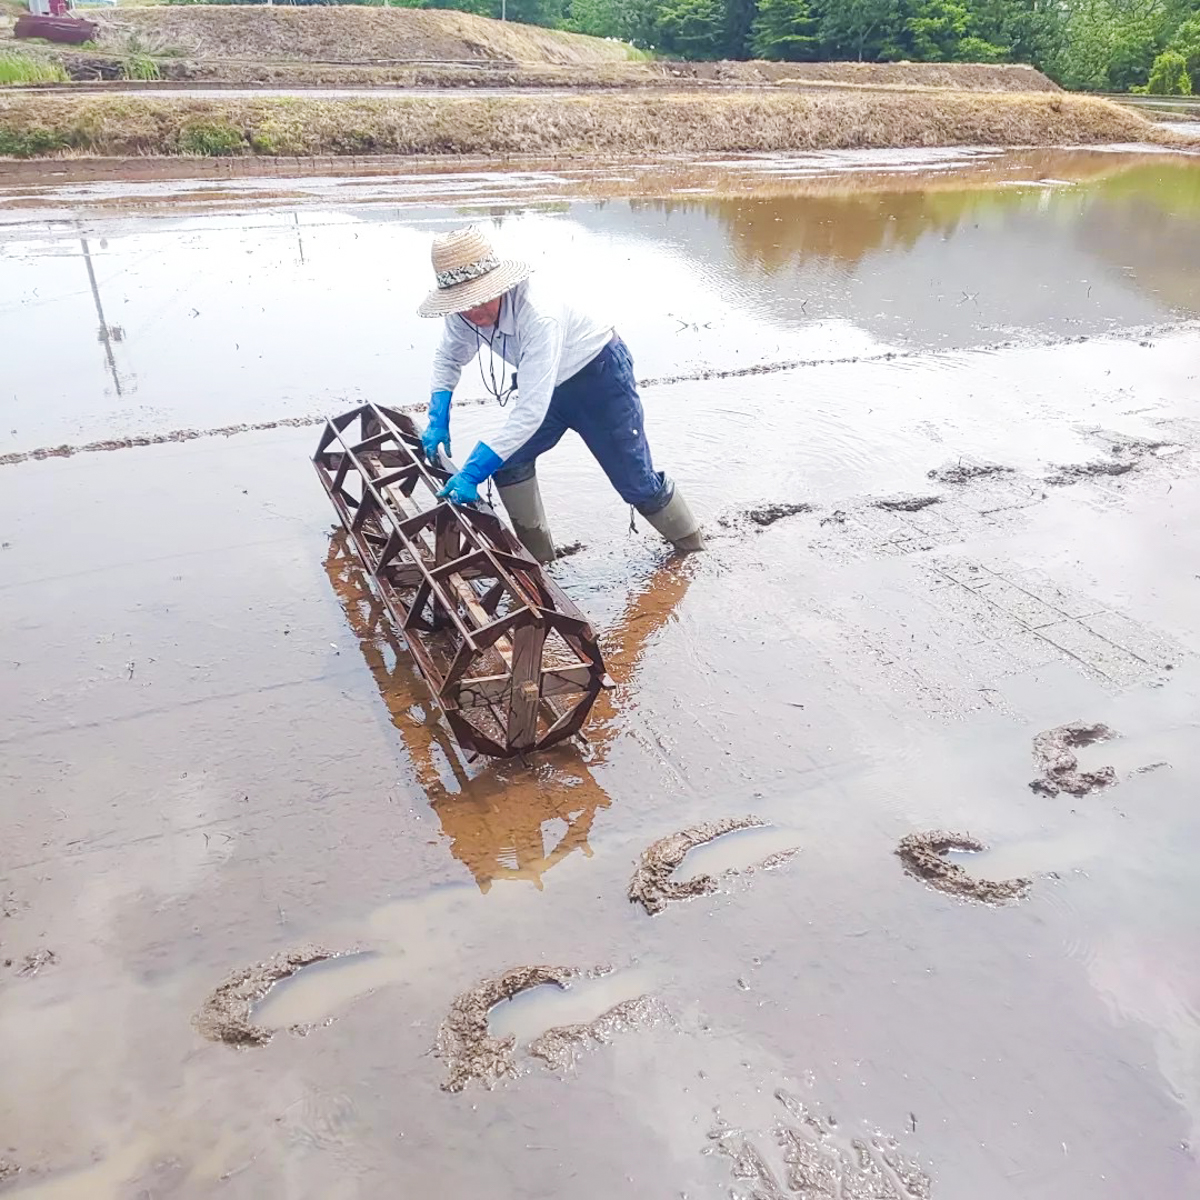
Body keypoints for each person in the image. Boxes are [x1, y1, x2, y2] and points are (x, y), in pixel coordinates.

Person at [416, 225, 703, 562]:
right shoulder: (464, 313)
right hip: (545, 383)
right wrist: (438, 418)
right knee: (509, 463)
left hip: (598, 378)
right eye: (464, 305)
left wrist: (472, 471)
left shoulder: (539, 313)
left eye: (479, 301)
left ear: (499, 285)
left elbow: (530, 412)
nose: (473, 313)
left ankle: (693, 549)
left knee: (636, 484)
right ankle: (540, 563)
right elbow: (449, 356)